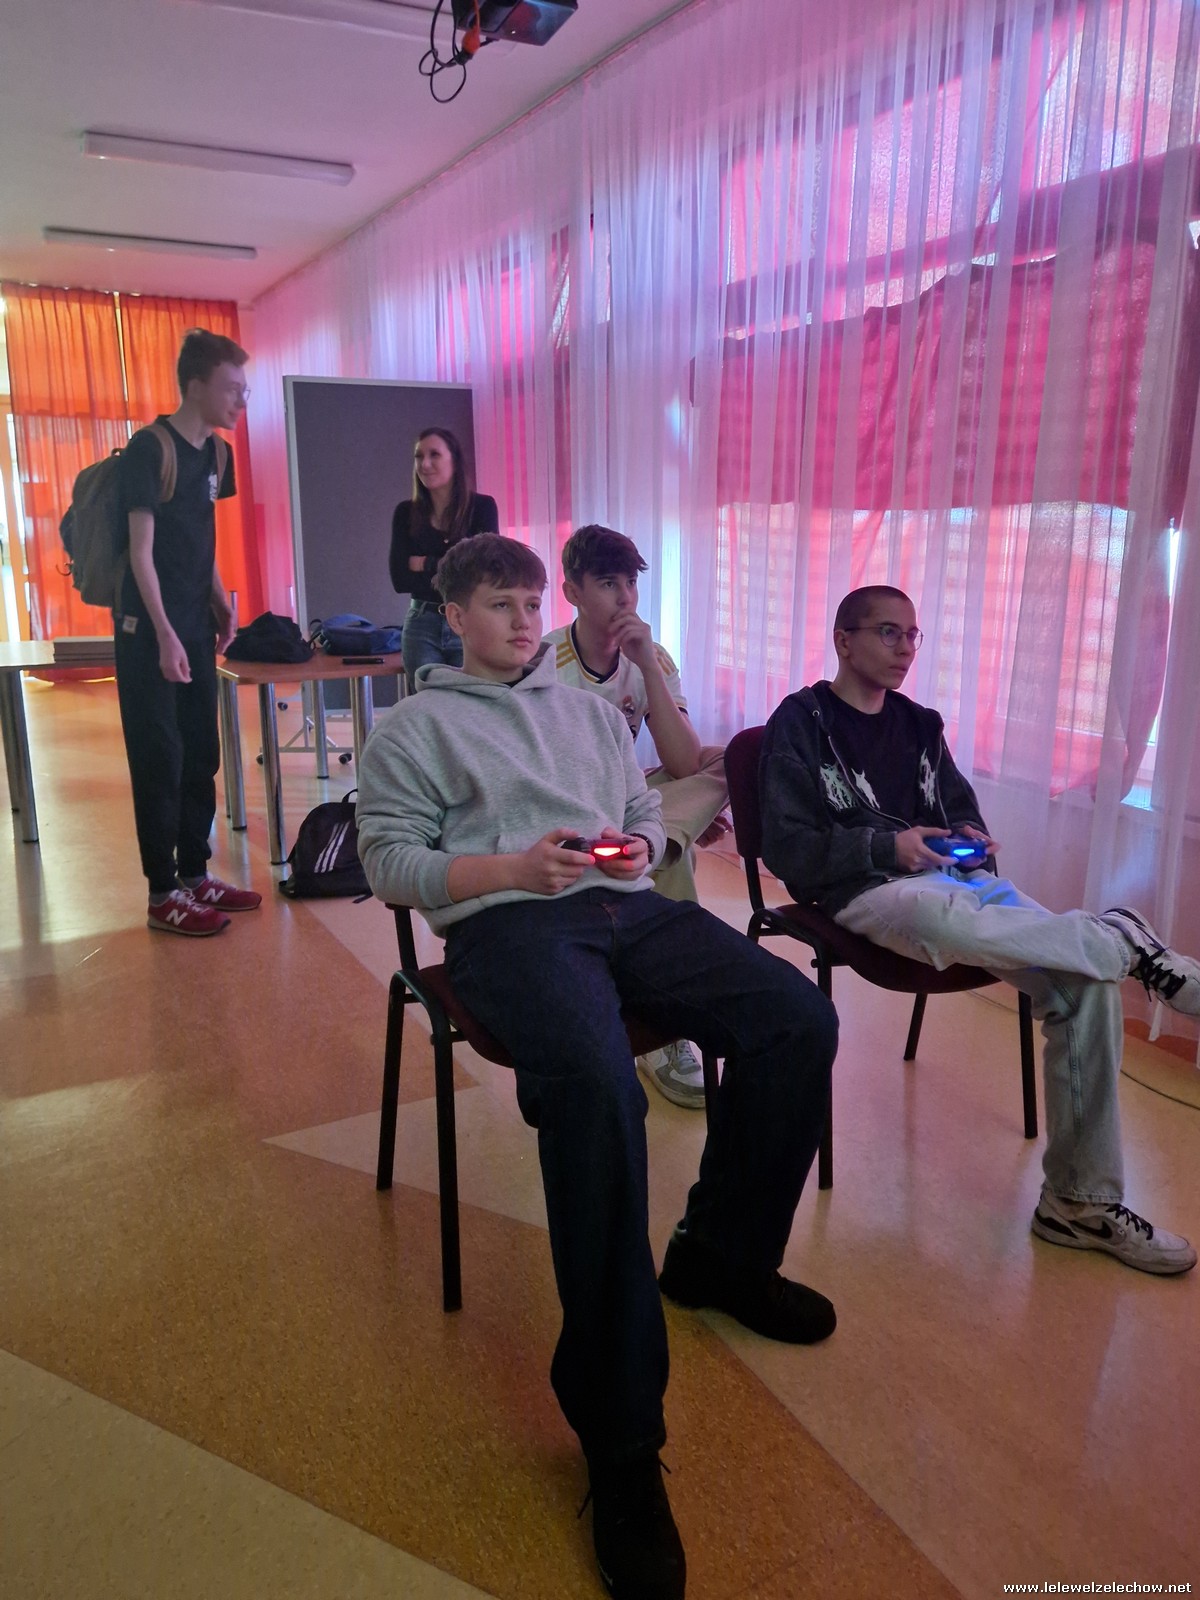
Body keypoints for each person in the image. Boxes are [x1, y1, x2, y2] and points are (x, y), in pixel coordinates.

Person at [356, 534, 838, 1600]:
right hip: (508, 926)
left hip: (623, 909)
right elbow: (390, 863)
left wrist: (636, 850)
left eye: (532, 603)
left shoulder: (587, 712)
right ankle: (620, 1438)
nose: (525, 621)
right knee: (599, 1088)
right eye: (501, 604)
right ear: (455, 617)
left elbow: (638, 813)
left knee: (797, 1019)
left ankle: (718, 1257)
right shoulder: (414, 728)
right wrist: (510, 868)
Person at [760, 583, 1200, 1277]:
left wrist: (968, 838)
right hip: (863, 890)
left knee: (1086, 986)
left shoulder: (920, 725)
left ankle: (1077, 1203)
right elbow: (786, 848)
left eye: (913, 634)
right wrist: (890, 849)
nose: (906, 648)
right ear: (844, 640)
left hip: (954, 883)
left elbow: (962, 811)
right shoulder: (801, 723)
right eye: (888, 632)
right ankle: (1123, 941)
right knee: (942, 915)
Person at [544, 525, 731, 1111]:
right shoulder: (545, 661)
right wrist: (680, 810)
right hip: (568, 809)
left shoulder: (653, 656)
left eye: (630, 583)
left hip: (631, 805)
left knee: (731, 760)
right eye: (608, 583)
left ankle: (659, 838)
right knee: (672, 841)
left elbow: (683, 763)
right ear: (573, 592)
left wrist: (647, 666)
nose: (625, 597)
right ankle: (664, 841)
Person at [114, 327, 262, 937]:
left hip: (196, 625)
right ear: (195, 386)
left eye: (245, 389)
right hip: (147, 631)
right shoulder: (149, 450)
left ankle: (196, 873)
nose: (241, 400)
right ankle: (161, 891)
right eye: (231, 388)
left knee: (201, 751)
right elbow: (140, 552)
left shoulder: (217, 456)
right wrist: (165, 633)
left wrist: (218, 598)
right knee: (160, 756)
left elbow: (200, 536)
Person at [388, 427, 499, 690]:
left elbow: (483, 573)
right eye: (419, 456)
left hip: (467, 621)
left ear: (454, 460)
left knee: (470, 702)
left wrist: (424, 563)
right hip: (421, 624)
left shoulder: (482, 508)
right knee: (426, 703)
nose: (424, 464)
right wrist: (454, 565)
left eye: (434, 455)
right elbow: (400, 580)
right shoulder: (405, 512)